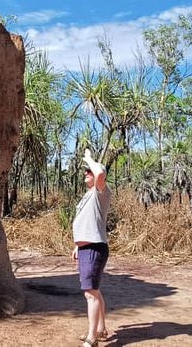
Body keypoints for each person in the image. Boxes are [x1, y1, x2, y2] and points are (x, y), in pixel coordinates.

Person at [71, 149, 112, 347]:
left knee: (90, 293)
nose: (86, 172)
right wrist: (77, 245)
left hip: (95, 248)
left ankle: (92, 338)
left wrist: (88, 158)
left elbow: (100, 174)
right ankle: (101, 329)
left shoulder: (100, 192)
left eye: (89, 171)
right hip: (87, 248)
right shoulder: (88, 196)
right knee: (94, 291)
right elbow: (86, 222)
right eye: (86, 170)